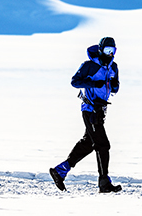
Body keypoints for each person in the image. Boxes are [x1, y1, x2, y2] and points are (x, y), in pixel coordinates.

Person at [49, 37, 122, 193]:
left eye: (113, 51)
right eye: (107, 51)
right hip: (89, 109)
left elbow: (115, 86)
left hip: (101, 109)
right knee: (103, 145)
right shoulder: (89, 66)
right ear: (100, 50)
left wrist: (114, 85)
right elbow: (75, 82)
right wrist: (93, 84)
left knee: (88, 143)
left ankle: (60, 171)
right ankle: (104, 182)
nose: (110, 54)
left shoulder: (113, 67)